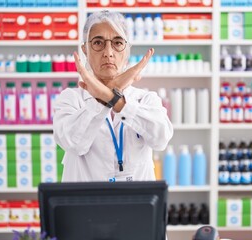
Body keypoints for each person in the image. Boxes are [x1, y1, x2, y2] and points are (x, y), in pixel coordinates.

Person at [53, 10, 173, 182]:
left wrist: (117, 100)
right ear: (85, 50)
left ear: (127, 50)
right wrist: (109, 94)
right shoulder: (70, 99)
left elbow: (161, 139)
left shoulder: (146, 99)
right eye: (98, 43)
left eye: (117, 43)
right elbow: (74, 143)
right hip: (86, 206)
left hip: (137, 205)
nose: (108, 52)